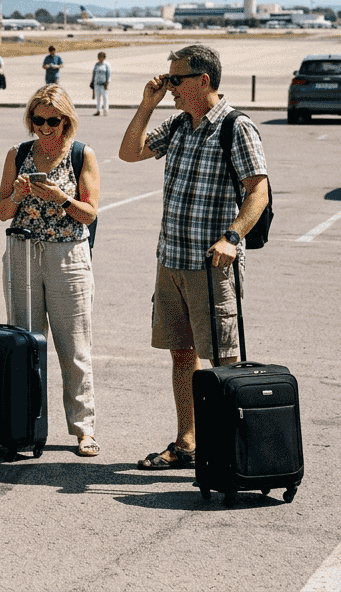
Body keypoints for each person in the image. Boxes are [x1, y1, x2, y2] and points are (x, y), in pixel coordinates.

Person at [117, 44, 269, 471]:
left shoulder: (236, 127)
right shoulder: (180, 125)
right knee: (182, 354)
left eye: (176, 80)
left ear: (203, 80)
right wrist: (147, 105)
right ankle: (188, 443)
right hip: (171, 261)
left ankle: (228, 452)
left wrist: (232, 238)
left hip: (211, 265)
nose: (169, 87)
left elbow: (258, 190)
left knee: (223, 359)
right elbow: (130, 152)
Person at [0, 84, 101, 457]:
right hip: (22, 252)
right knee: (25, 344)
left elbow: (89, 214)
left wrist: (62, 199)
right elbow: (2, 211)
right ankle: (25, 426)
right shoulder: (19, 153)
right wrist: (18, 194)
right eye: (37, 120)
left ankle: (84, 429)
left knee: (74, 347)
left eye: (52, 121)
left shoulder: (81, 155)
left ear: (66, 120)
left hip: (67, 256)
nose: (44, 127)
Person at [91, 52, 111, 116]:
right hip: (97, 84)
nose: (100, 58)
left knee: (105, 98)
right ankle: (98, 110)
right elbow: (94, 74)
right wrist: (92, 82)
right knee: (98, 98)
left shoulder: (106, 65)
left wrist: (107, 82)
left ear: (104, 58)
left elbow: (109, 74)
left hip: (103, 84)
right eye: (99, 57)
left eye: (102, 57)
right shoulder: (96, 65)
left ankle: (106, 110)